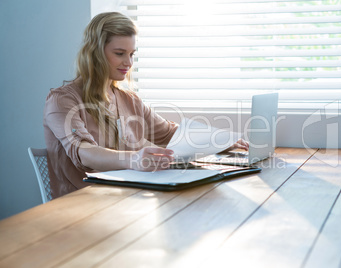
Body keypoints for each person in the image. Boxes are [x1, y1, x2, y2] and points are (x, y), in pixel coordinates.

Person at [44, 12, 248, 199]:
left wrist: (219, 140)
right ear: (95, 52)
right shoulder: (62, 101)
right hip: (80, 205)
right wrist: (134, 159)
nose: (129, 62)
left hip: (125, 199)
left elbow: (170, 133)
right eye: (120, 53)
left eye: (132, 54)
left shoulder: (129, 100)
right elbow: (85, 152)